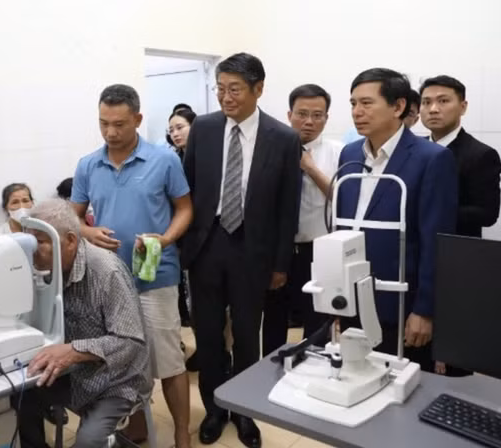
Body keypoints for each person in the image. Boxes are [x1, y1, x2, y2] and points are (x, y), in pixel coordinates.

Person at [181, 52, 301, 447]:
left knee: (249, 336)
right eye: (219, 89)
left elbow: (288, 207)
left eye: (234, 89)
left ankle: (246, 413)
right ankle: (215, 409)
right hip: (207, 244)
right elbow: (190, 189)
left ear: (258, 89)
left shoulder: (283, 138)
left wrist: (280, 262)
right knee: (209, 335)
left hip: (254, 248)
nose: (225, 97)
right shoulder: (204, 128)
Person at [71, 84, 193, 448]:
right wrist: (89, 232)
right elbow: (72, 217)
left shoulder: (163, 159)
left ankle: (182, 435)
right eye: (103, 123)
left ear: (138, 119)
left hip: (155, 276)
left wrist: (166, 239)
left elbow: (185, 209)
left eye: (120, 124)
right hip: (109, 281)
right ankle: (137, 427)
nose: (110, 132)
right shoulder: (88, 164)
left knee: (168, 361)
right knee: (124, 364)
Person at [338, 68, 458, 373]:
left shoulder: (430, 158)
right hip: (352, 296)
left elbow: (436, 242)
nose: (357, 112)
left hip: (401, 304)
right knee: (354, 379)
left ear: (398, 106)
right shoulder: (350, 154)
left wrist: (425, 310)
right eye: (353, 103)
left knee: (401, 393)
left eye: (366, 103)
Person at [18, 199, 151, 448]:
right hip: (76, 373)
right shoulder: (46, 268)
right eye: (31, 241)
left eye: (41, 242)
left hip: (118, 380)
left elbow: (130, 341)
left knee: (89, 442)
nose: (34, 250)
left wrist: (74, 351)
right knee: (20, 395)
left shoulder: (106, 272)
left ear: (70, 240)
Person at [420, 75, 501, 376]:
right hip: (421, 257)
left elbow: (486, 213)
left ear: (462, 106)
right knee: (419, 349)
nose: (433, 109)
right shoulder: (415, 150)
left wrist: (434, 211)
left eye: (443, 101)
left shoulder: (480, 155)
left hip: (459, 262)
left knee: (455, 355)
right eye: (427, 102)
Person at [262, 84, 342, 356]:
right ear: (289, 114)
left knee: (317, 323)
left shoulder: (339, 152)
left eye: (317, 115)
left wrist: (309, 167)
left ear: (326, 118)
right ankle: (267, 376)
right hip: (278, 251)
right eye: (302, 114)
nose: (309, 121)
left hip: (318, 251)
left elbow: (342, 197)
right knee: (273, 321)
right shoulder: (270, 150)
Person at [167, 106, 197, 329]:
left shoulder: (205, 157)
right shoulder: (171, 159)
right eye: (171, 130)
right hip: (178, 236)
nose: (175, 134)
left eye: (180, 127)